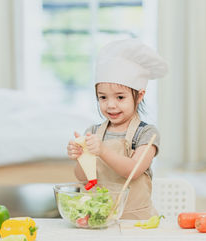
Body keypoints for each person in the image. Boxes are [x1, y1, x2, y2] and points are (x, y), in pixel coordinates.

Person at [66, 39, 168, 219]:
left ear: (140, 96)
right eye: (103, 97)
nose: (110, 105)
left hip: (135, 221)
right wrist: (82, 157)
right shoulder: (93, 131)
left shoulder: (146, 134)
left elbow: (133, 170)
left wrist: (102, 150)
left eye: (120, 97)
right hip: (98, 218)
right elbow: (82, 178)